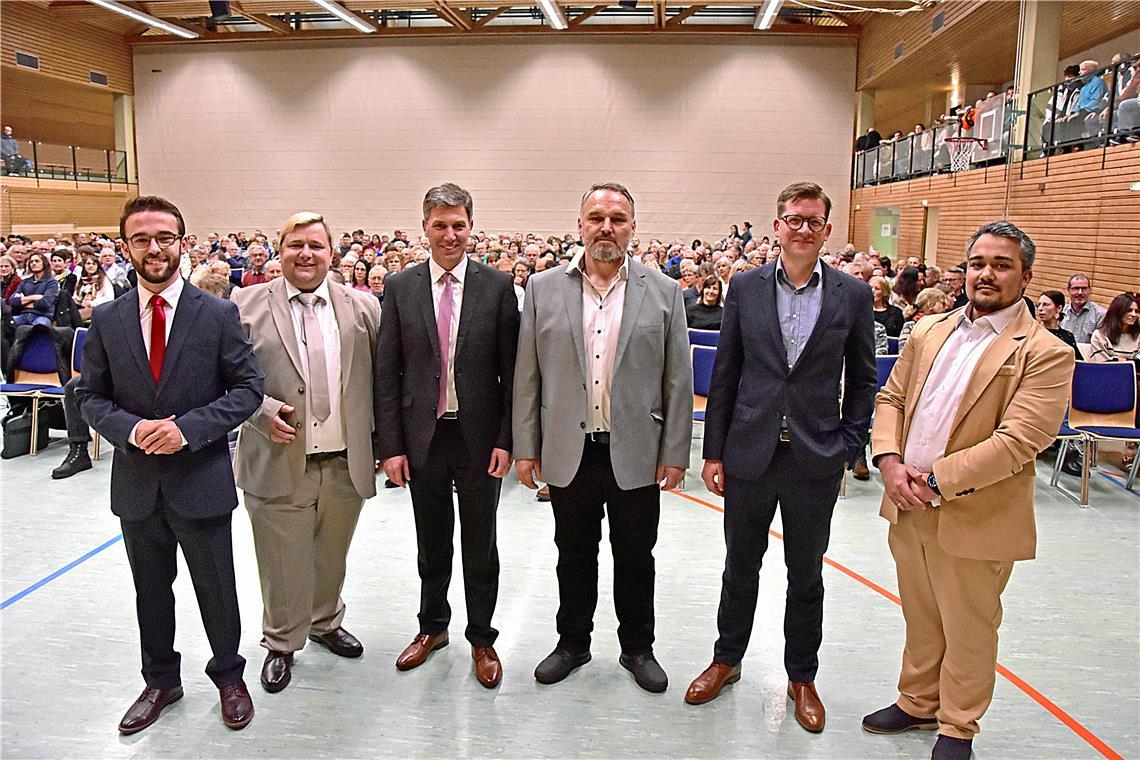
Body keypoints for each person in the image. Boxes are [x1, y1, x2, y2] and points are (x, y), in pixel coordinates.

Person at [863, 221, 1074, 760]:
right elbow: (891, 399)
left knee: (969, 625)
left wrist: (934, 481)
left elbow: (1020, 440)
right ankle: (917, 701)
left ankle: (958, 726)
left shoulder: (1045, 351)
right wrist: (888, 461)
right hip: (906, 501)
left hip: (974, 510)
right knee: (921, 613)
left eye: (1002, 265)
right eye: (978, 263)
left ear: (1025, 275)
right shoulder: (931, 329)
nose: (987, 274)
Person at [685, 182, 876, 735]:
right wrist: (714, 450)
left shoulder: (852, 295)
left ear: (827, 230)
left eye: (814, 221)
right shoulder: (744, 288)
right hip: (750, 451)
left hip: (814, 456)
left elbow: (863, 379)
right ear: (777, 227)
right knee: (739, 566)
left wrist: (849, 444)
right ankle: (726, 659)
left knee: (806, 574)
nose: (803, 228)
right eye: (793, 219)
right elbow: (726, 375)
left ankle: (801, 676)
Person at [75, 195, 263, 734]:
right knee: (150, 589)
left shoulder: (218, 313)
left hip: (199, 477)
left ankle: (229, 675)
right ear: (126, 246)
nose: (153, 248)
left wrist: (188, 429)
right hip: (137, 482)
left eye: (164, 237)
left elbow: (249, 388)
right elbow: (89, 396)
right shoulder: (109, 319)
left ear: (183, 242)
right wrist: (131, 430)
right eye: (141, 238)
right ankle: (160, 680)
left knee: (216, 587)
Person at [513, 182, 692, 693]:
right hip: (570, 451)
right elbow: (529, 376)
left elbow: (678, 380)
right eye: (596, 218)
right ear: (580, 225)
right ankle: (572, 643)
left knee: (636, 556)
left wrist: (675, 452)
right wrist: (528, 446)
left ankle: (638, 648)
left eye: (617, 218)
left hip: (635, 450)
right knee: (573, 554)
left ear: (633, 227)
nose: (606, 227)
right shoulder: (543, 287)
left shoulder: (664, 291)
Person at [375, 184, 519, 690]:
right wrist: (390, 446)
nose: (450, 234)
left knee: (481, 545)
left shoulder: (498, 287)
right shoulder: (399, 286)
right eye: (440, 225)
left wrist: (507, 439)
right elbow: (386, 372)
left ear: (471, 227)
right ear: (424, 228)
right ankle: (432, 628)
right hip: (423, 438)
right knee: (431, 542)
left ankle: (482, 637)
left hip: (479, 438)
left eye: (458, 225)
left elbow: (513, 374)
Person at [232, 211, 380, 694]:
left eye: (316, 245)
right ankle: (280, 642)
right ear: (280, 251)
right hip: (278, 457)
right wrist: (258, 411)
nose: (306, 254)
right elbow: (225, 379)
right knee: (280, 559)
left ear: (331, 253)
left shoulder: (362, 308)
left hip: (343, 458)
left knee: (330, 555)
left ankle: (324, 621)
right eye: (296, 244)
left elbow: (381, 380)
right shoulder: (244, 305)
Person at [1088, 292, 1140, 363]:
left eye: (1136, 311)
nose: (1134, 314)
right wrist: (1130, 362)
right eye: (1129, 310)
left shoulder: (1138, 336)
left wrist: (1123, 360)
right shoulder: (1099, 335)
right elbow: (1102, 364)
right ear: (1118, 311)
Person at [1060, 273, 1106, 343]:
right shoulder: (1060, 312)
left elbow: (1101, 344)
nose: (1080, 292)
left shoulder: (1101, 315)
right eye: (1076, 288)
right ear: (1068, 290)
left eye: (1084, 288)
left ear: (1090, 290)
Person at [1036, 290, 1082, 358]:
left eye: (1046, 305)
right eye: (1038, 305)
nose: (1040, 308)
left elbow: (1078, 362)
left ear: (1059, 308)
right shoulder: (1033, 333)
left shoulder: (1067, 337)